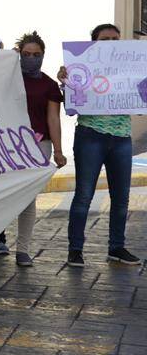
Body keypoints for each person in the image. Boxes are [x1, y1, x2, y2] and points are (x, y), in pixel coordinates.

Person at [0, 31, 66, 268]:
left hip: (38, 145)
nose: (31, 59)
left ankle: (23, 250)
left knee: (28, 200)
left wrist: (58, 150)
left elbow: (53, 118)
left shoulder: (49, 85)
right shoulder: (6, 79)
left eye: (36, 55)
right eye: (26, 54)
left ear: (43, 55)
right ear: (19, 54)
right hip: (6, 144)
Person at [59, 24, 141, 267]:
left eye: (115, 39)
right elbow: (71, 107)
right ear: (93, 43)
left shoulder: (130, 68)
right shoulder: (81, 68)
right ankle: (75, 250)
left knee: (121, 198)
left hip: (122, 137)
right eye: (105, 39)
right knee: (84, 195)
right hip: (90, 135)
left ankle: (117, 247)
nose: (111, 43)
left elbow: (139, 105)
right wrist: (66, 82)